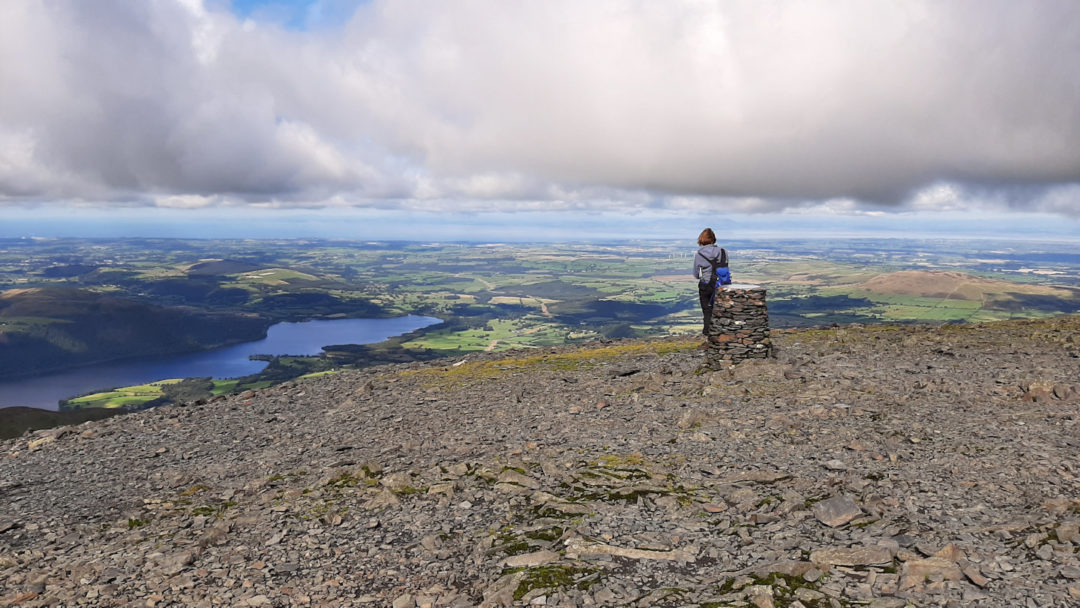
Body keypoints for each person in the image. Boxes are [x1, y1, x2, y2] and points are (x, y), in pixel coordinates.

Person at [693, 228, 725, 335]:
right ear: (713, 239)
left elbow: (696, 274)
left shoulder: (699, 254)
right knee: (720, 310)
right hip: (721, 285)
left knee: (707, 310)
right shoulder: (722, 252)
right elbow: (725, 268)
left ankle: (707, 333)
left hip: (706, 285)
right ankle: (721, 332)